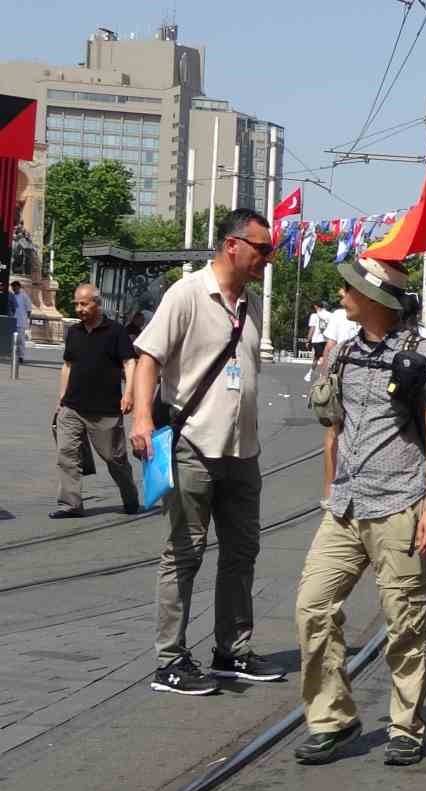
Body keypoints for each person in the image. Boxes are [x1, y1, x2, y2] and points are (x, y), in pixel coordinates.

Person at [291, 255, 426, 766]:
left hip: (401, 504)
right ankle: (332, 717)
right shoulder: (343, 352)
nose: (341, 295)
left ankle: (406, 725)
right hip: (344, 505)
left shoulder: (421, 352)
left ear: (375, 299)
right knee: (311, 606)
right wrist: (328, 492)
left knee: (405, 620)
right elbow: (333, 428)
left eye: (350, 289)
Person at [130, 209, 285, 696]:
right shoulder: (188, 293)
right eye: (262, 249)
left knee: (242, 552)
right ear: (232, 245)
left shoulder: (251, 303)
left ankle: (231, 650)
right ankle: (170, 661)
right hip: (194, 445)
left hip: (244, 451)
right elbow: (149, 357)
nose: (267, 258)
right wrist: (140, 418)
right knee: (184, 553)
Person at [53, 284, 140, 518]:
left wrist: (129, 393)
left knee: (115, 459)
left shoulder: (116, 332)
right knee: (67, 454)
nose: (79, 309)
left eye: (84, 304)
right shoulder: (74, 332)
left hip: (105, 410)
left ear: (97, 304)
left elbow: (129, 363)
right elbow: (68, 365)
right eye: (76, 304)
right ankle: (70, 504)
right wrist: (62, 396)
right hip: (72, 407)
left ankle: (130, 496)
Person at [303, 302, 331, 382]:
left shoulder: (314, 316)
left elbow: (312, 328)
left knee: (317, 357)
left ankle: (310, 374)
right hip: (328, 339)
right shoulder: (331, 315)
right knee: (325, 357)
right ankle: (322, 375)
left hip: (317, 339)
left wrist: (308, 340)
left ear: (316, 306)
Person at [10, 279, 30, 362]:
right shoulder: (11, 296)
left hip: (21, 321)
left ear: (19, 287)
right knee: (12, 339)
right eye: (13, 287)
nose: (14, 289)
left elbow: (29, 309)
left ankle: (21, 356)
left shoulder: (24, 296)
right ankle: (13, 355)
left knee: (21, 340)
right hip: (12, 320)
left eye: (15, 287)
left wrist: (26, 319)